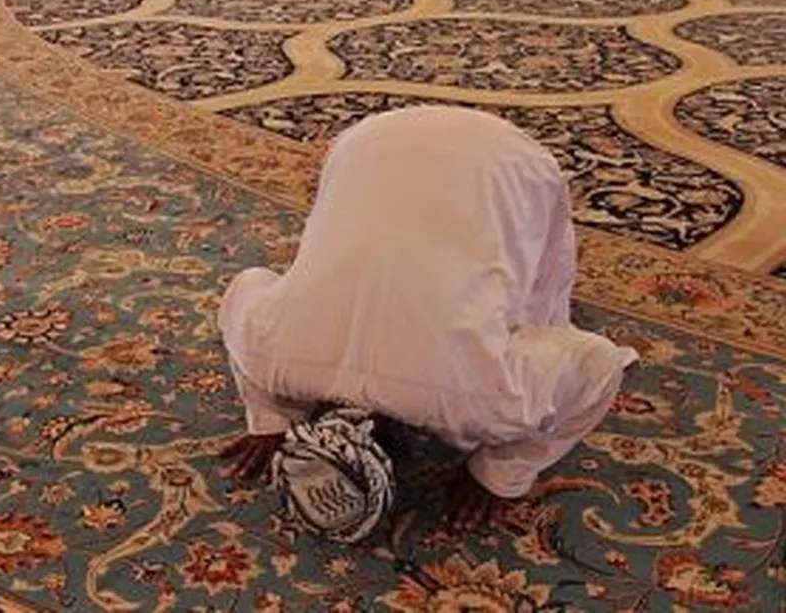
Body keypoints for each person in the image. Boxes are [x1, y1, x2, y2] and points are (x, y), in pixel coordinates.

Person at [218, 106, 637, 534]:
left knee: (518, 299)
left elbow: (597, 367)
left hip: (502, 158)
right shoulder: (271, 356)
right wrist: (272, 418)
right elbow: (244, 288)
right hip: (370, 140)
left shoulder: (482, 400)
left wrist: (499, 476)